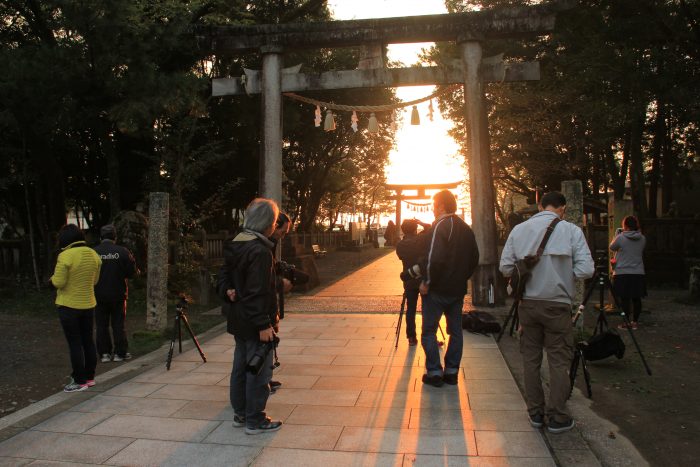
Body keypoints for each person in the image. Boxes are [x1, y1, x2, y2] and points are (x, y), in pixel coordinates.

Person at [499, 191, 594, 434]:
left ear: (540, 205)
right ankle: (558, 416)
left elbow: (505, 267)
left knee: (530, 359)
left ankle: (535, 413)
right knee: (558, 360)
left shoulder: (519, 230)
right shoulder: (572, 231)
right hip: (557, 304)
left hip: (528, 305)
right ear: (562, 208)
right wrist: (563, 274)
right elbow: (586, 270)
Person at [223, 198, 282, 435]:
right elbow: (258, 291)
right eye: (275, 221)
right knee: (259, 369)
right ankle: (255, 419)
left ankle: (240, 412)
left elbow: (223, 276)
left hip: (237, 317)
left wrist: (227, 290)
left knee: (240, 366)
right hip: (254, 320)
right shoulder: (259, 250)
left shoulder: (236, 242)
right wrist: (264, 324)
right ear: (268, 223)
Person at [419, 190, 479, 387]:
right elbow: (474, 259)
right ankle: (452, 372)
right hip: (457, 289)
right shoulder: (465, 228)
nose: (433, 208)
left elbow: (433, 258)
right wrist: (462, 277)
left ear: (442, 205)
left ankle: (435, 372)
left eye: (434, 204)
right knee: (455, 331)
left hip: (437, 289)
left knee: (429, 331)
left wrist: (427, 281)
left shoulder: (441, 226)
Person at [50, 224, 102, 392]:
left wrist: (50, 280)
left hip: (69, 306)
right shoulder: (94, 254)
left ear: (65, 239)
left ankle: (79, 381)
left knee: (75, 343)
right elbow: (94, 281)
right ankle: (89, 377)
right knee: (88, 341)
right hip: (88, 304)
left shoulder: (65, 255)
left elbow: (58, 282)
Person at [93, 224, 138, 363]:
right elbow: (132, 273)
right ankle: (120, 353)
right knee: (118, 324)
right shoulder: (123, 252)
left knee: (101, 325)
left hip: (98, 294)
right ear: (115, 237)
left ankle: (104, 354)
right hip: (118, 294)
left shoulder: (94, 252)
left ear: (101, 237)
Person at [268, 213, 293, 393]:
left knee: (267, 345)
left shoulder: (270, 243)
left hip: (267, 303)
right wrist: (279, 283)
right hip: (258, 308)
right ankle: (260, 385)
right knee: (258, 348)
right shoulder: (259, 246)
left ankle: (266, 379)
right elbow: (260, 279)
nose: (283, 235)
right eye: (283, 232)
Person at [395, 218, 429, 346]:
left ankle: (411, 337)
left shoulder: (400, 245)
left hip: (409, 279)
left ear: (403, 229)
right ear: (415, 228)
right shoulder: (420, 240)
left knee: (411, 309)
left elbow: (401, 257)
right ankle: (429, 335)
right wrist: (420, 222)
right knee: (427, 308)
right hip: (423, 279)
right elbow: (429, 227)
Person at [610, 215, 646, 330]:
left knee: (625, 298)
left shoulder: (620, 237)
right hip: (638, 272)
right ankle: (635, 322)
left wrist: (616, 235)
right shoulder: (642, 238)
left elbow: (612, 247)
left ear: (624, 225)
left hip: (622, 272)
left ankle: (626, 322)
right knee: (636, 298)